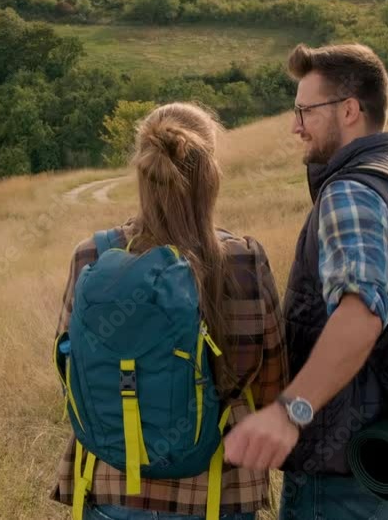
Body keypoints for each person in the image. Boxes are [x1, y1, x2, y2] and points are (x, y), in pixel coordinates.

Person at [223, 44, 388, 519]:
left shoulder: (350, 191)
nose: (294, 125)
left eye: (305, 110)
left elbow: (362, 312)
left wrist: (290, 411)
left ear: (348, 110)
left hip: (347, 472)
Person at [48, 102, 289, 520]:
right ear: (211, 173)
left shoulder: (92, 255)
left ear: (141, 170)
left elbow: (74, 372)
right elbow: (272, 383)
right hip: (219, 491)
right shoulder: (244, 260)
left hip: (112, 485)